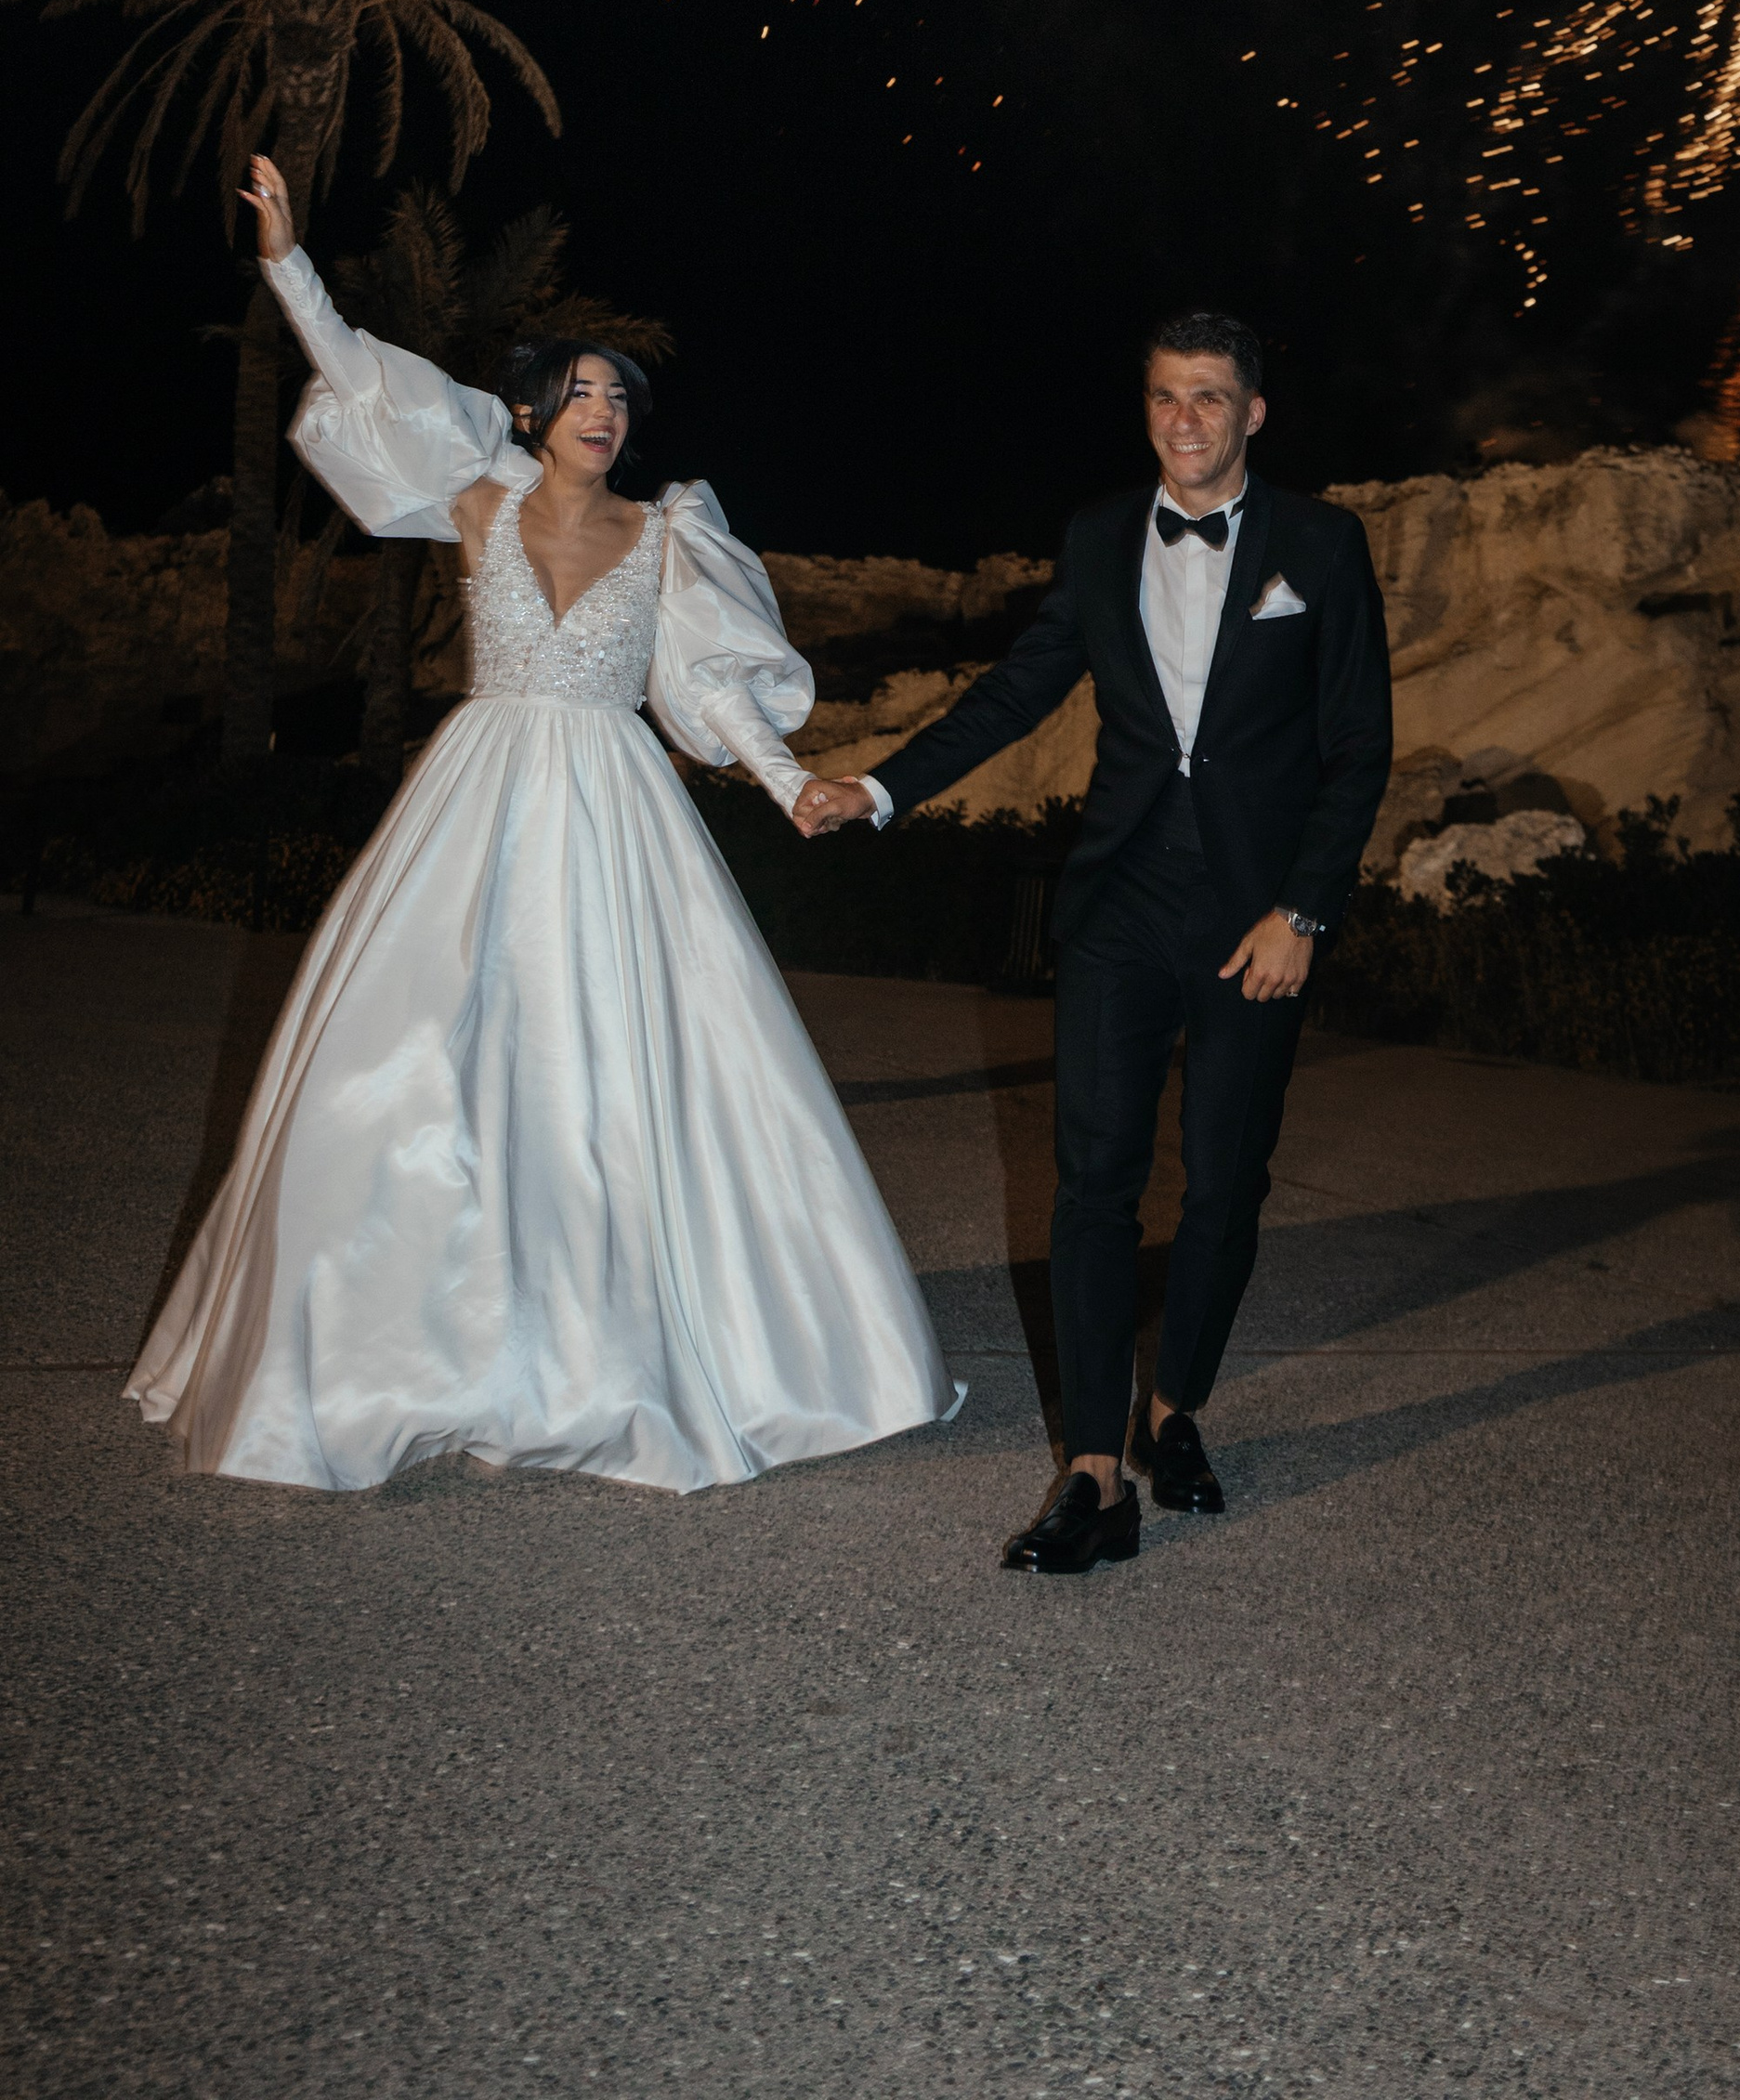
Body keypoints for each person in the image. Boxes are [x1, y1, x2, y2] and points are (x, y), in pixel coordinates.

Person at [126, 154, 960, 1493]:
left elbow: (704, 683)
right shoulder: (477, 500)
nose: (604, 412)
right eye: (579, 393)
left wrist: (784, 775)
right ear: (529, 412)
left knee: (621, 1073)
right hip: (484, 790)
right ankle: (398, 1339)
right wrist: (287, 260)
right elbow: (359, 376)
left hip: (618, 806)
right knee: (414, 1058)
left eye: (620, 397)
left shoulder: (672, 533)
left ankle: (631, 1332)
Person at [799, 315, 1393, 1572]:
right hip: (1120, 903)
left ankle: (1175, 1406)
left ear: (1255, 415)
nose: (1187, 420)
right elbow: (1017, 692)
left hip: (1257, 920)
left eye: (1212, 399)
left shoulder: (1324, 547)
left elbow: (1357, 749)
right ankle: (1093, 1471)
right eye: (1168, 398)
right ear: (1148, 408)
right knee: (1094, 1184)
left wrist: (1305, 911)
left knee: (1227, 1180)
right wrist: (884, 789)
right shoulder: (1098, 536)